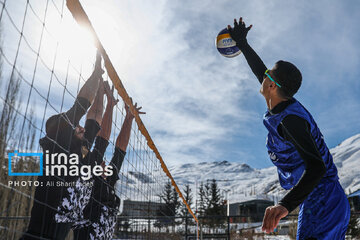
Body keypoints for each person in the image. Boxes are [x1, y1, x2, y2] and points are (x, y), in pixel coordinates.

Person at [227, 18, 350, 239]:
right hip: (323, 200)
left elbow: (317, 167)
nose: (262, 76)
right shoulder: (282, 107)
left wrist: (284, 205)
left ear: (272, 85)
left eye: (268, 75)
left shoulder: (290, 120)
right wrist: (242, 43)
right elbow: (260, 70)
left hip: (322, 200)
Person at [21, 51, 106, 240]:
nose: (80, 126)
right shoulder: (57, 145)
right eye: (75, 125)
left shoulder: (79, 148)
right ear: (62, 132)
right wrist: (96, 74)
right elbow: (81, 106)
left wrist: (100, 85)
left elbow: (94, 119)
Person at [72, 89, 145, 240]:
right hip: (103, 215)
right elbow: (120, 151)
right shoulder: (106, 181)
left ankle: (107, 98)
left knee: (100, 145)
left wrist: (110, 104)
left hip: (91, 212)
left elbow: (102, 141)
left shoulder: (89, 179)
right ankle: (112, 103)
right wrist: (129, 117)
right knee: (113, 154)